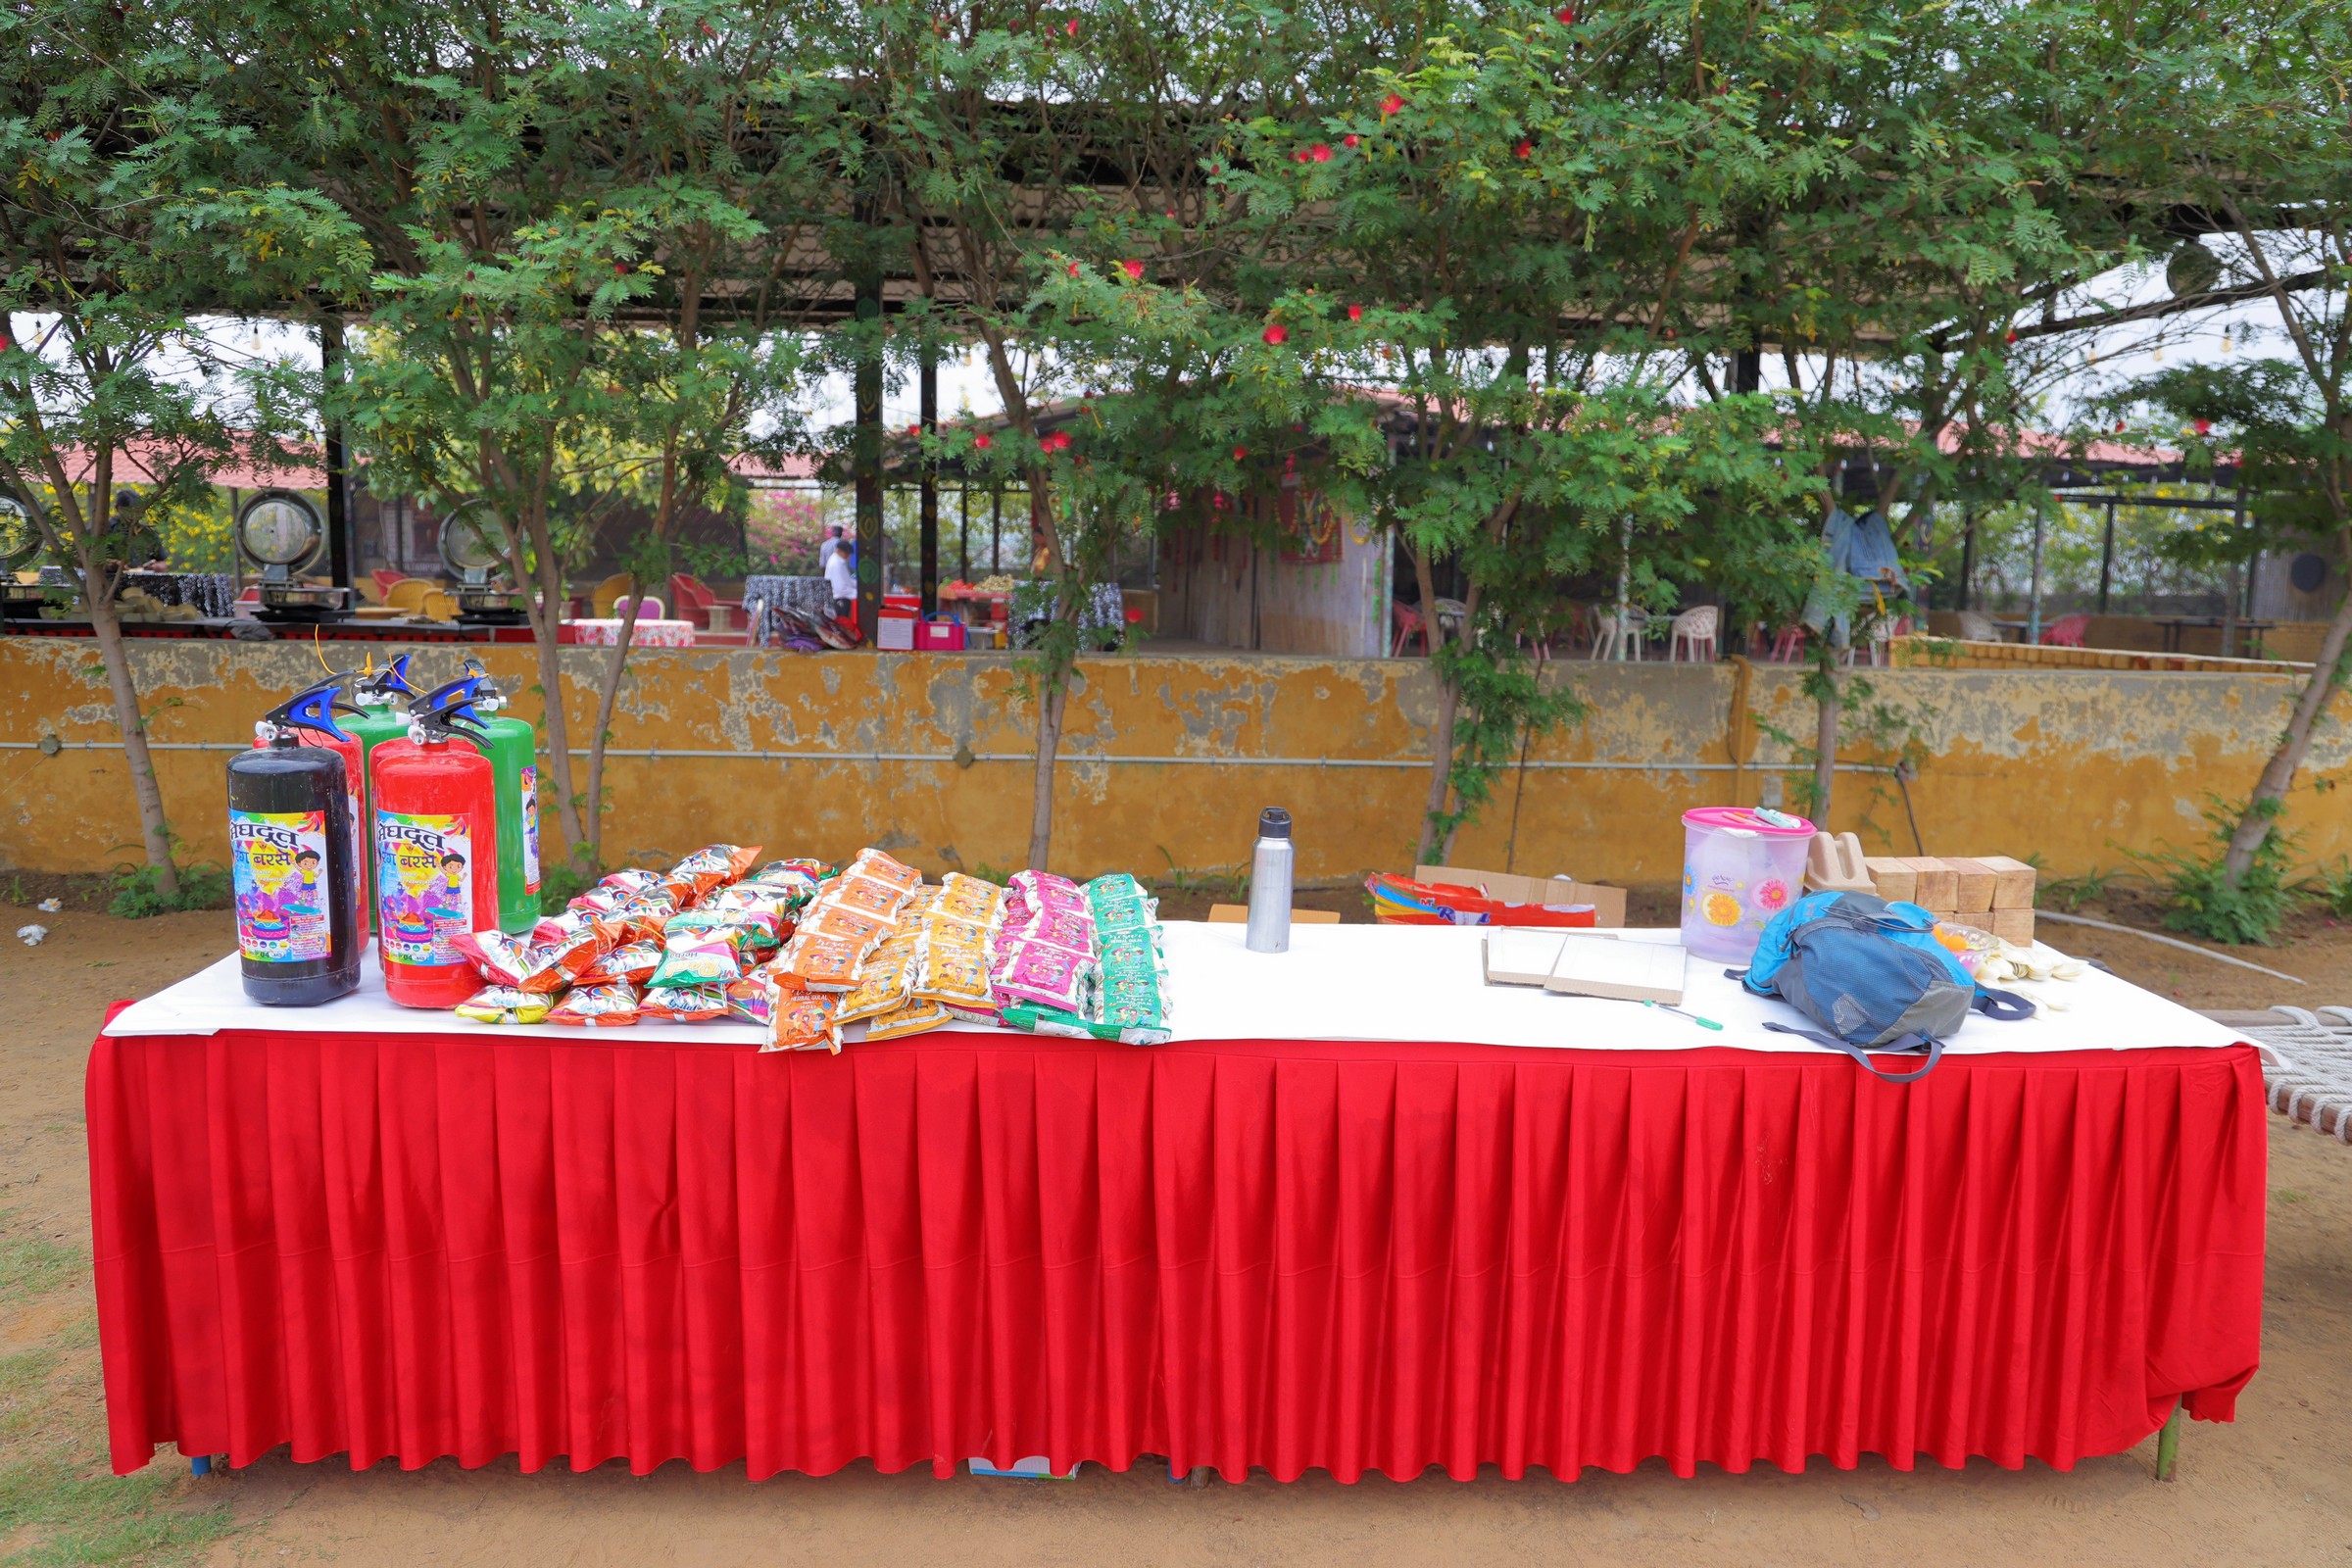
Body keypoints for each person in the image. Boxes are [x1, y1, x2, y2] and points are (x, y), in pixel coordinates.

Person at [824, 535, 857, 623]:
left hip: (842, 598)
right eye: (846, 553)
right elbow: (840, 588)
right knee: (842, 624)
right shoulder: (837, 564)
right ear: (840, 551)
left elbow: (847, 581)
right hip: (840, 600)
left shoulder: (838, 561)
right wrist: (858, 594)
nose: (848, 556)